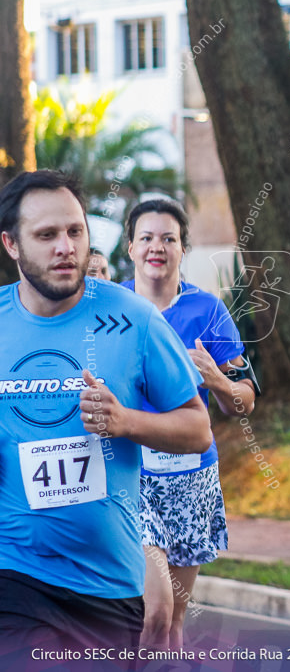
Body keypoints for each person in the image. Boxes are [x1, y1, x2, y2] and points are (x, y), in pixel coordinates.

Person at [0, 170, 210, 656]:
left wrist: (125, 422)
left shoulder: (133, 318)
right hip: (14, 571)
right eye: (47, 235)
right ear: (11, 244)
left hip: (107, 584)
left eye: (75, 231)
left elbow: (198, 429)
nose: (66, 248)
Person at [123, 198, 258, 650]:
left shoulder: (209, 311)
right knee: (155, 611)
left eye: (168, 238)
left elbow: (244, 402)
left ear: (183, 249)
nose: (156, 247)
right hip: (131, 476)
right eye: (146, 238)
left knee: (175, 621)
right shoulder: (112, 309)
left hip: (190, 477)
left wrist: (218, 378)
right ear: (130, 248)